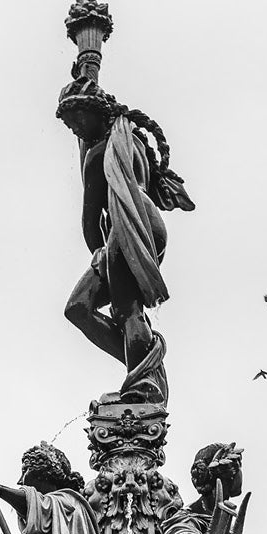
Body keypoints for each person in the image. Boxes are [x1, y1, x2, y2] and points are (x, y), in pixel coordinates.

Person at [60, 95, 194, 400]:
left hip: (126, 226)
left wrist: (100, 253)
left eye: (78, 122)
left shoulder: (100, 152)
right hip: (149, 224)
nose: (76, 131)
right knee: (80, 308)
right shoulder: (131, 141)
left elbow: (90, 218)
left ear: (97, 114)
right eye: (70, 127)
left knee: (124, 309)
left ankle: (143, 380)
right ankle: (143, 368)